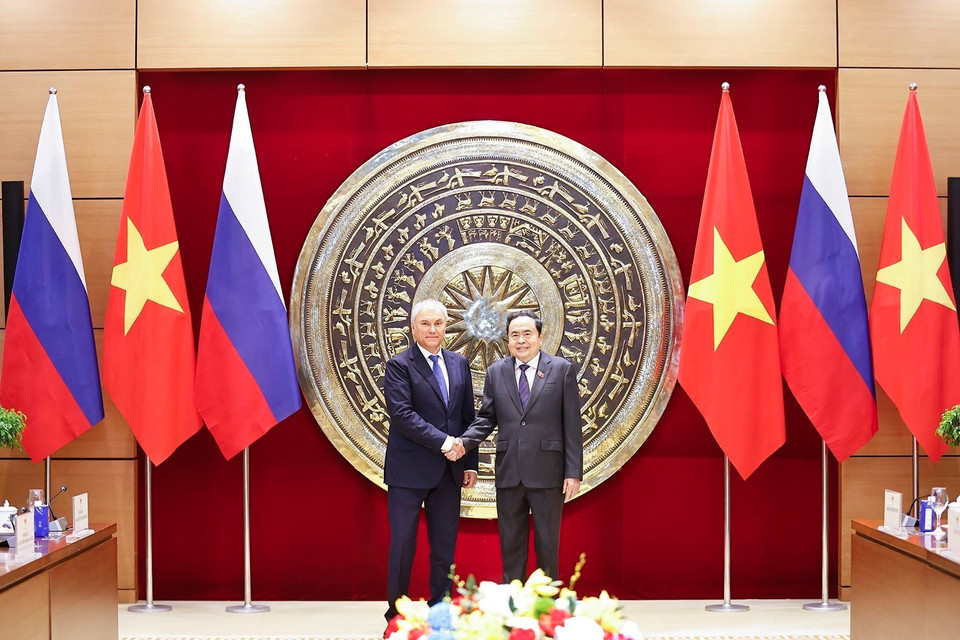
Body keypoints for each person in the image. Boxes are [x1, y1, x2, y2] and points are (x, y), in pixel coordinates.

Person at [446, 310, 582, 582]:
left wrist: (573, 472)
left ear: (540, 337)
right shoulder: (496, 372)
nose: (521, 340)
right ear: (508, 341)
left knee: (547, 546)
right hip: (509, 472)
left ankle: (548, 612)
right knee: (511, 547)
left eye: (527, 334)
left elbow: (572, 425)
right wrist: (463, 442)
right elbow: (486, 418)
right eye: (515, 335)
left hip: (548, 472)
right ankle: (513, 607)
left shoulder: (561, 369)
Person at [382, 299, 478, 622]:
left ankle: (440, 613)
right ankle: (395, 615)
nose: (433, 329)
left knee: (443, 549)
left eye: (438, 323)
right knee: (403, 546)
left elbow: (467, 416)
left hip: (449, 472)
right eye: (426, 324)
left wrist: (470, 462)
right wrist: (444, 442)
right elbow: (403, 415)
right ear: (413, 328)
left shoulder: (459, 363)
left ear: (446, 326)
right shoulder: (399, 365)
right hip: (408, 472)